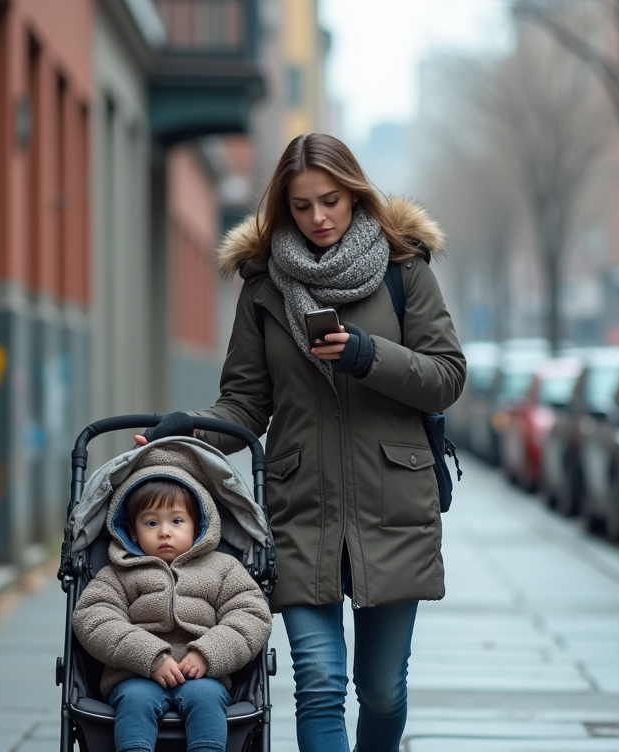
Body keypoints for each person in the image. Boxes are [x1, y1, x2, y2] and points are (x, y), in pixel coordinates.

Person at [137, 133, 466, 752]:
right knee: (318, 683)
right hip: (300, 508)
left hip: (392, 505)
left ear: (355, 195)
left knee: (383, 691)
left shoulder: (404, 271)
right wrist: (186, 432)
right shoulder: (264, 286)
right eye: (301, 205)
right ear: (283, 207)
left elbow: (446, 377)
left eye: (330, 201)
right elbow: (244, 403)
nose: (318, 217)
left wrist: (366, 355)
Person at [72, 446, 273, 752]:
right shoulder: (118, 573)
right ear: (133, 531)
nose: (164, 532)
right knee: (135, 700)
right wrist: (149, 657)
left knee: (206, 698)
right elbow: (93, 618)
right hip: (135, 674)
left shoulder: (223, 568)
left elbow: (251, 614)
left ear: (199, 523)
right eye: (152, 523)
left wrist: (208, 653)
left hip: (204, 675)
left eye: (177, 521)